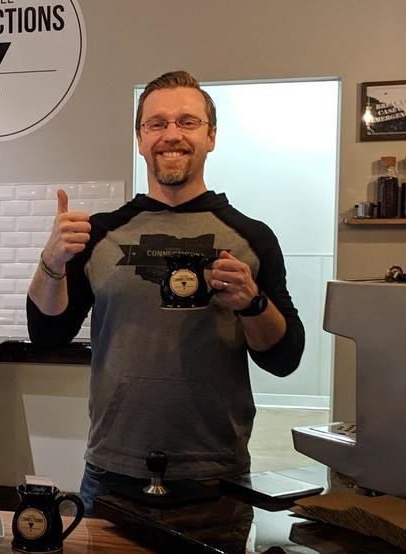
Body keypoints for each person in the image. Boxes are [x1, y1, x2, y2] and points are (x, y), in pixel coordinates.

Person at [26, 70, 305, 514]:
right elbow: (48, 334)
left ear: (211, 137)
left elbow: (285, 358)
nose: (171, 134)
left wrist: (252, 303)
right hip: (112, 469)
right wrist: (52, 261)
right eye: (156, 124)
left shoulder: (253, 237)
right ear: (140, 138)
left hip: (216, 475)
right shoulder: (99, 233)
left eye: (187, 122)